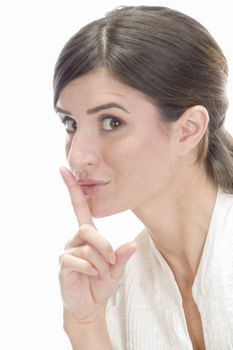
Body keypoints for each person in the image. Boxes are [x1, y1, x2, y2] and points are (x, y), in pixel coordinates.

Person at [53, 6, 233, 350]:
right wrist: (86, 325)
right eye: (71, 124)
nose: (77, 156)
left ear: (188, 129)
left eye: (111, 122)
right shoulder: (119, 289)